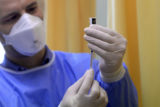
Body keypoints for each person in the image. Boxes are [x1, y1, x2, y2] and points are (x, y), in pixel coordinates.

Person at [0, 0, 138, 107]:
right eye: (12, 17)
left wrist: (113, 74)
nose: (29, 22)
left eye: (31, 9)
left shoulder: (86, 66)